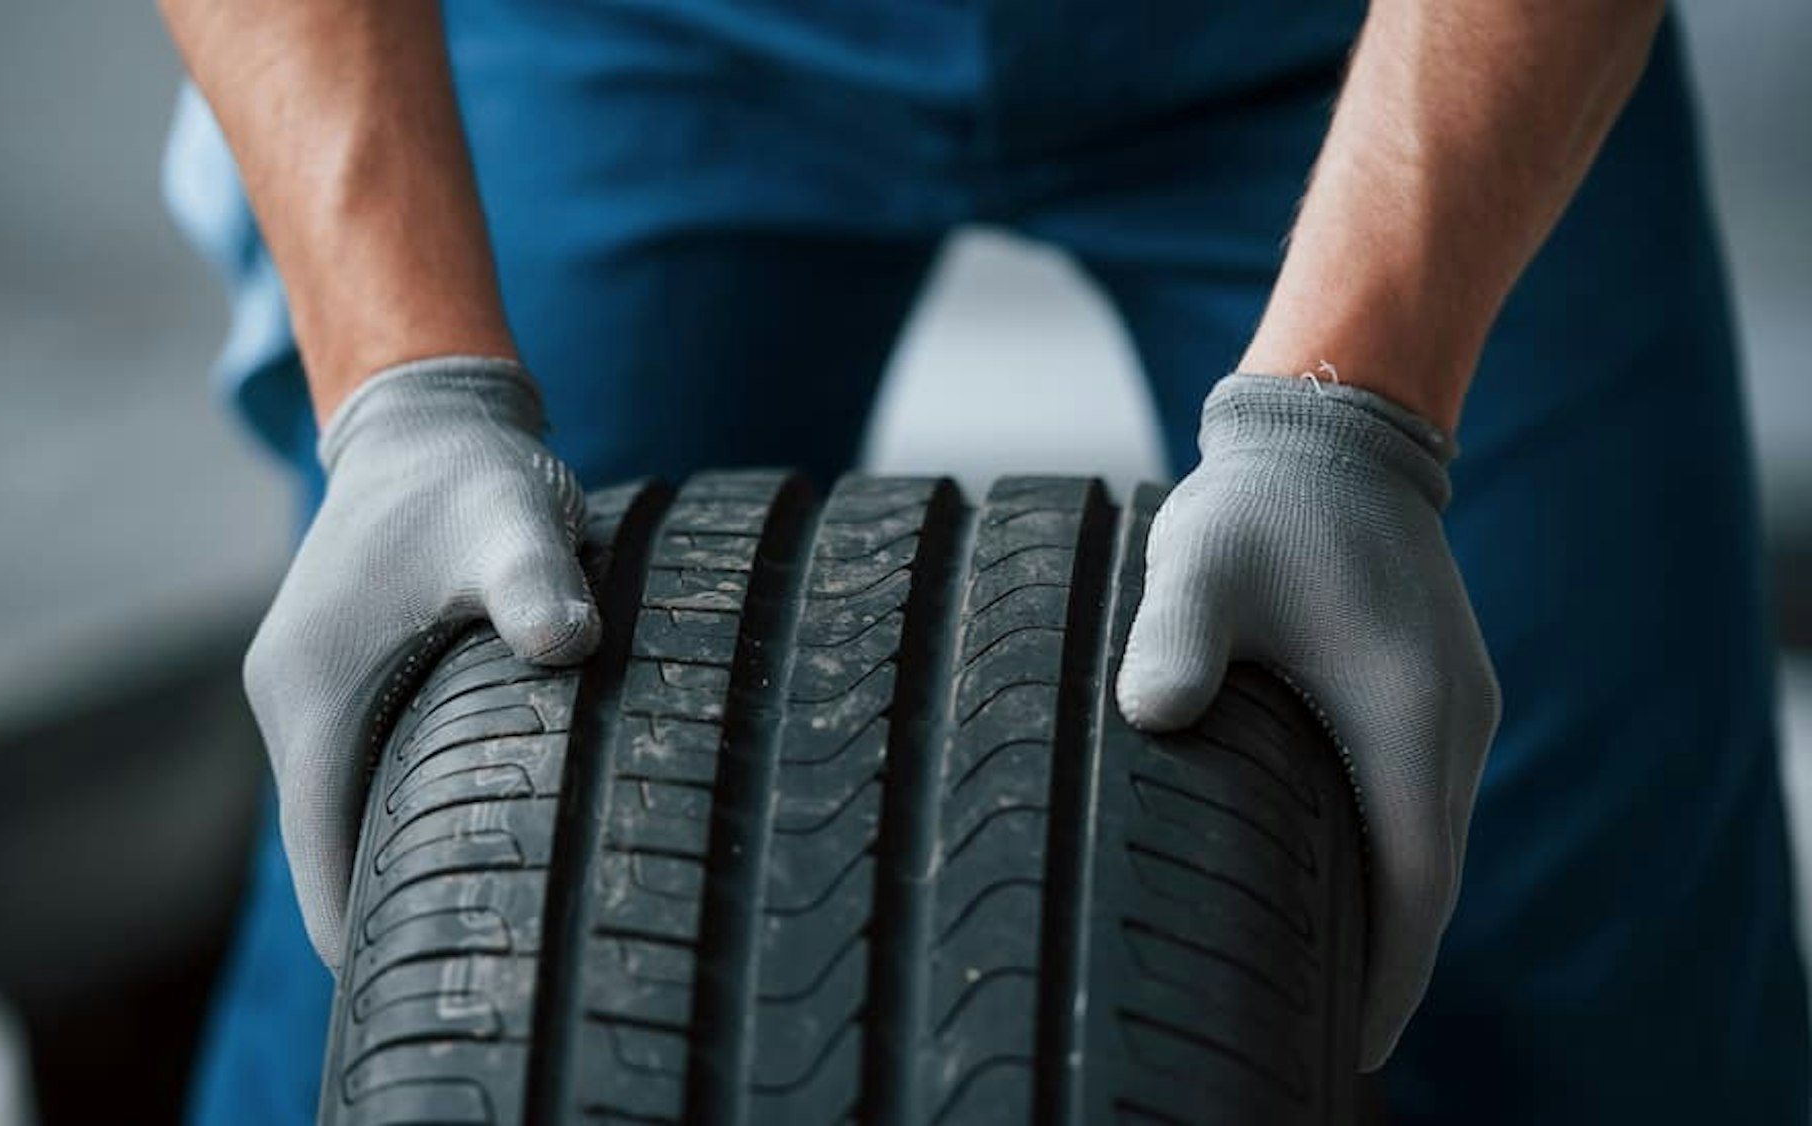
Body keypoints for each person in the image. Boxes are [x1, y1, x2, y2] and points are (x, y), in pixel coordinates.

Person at [156, 0, 1807, 1121]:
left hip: (1361, 34)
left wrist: (1358, 419)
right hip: (632, 24)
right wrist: (403, 384)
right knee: (406, 987)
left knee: (1601, 1005)